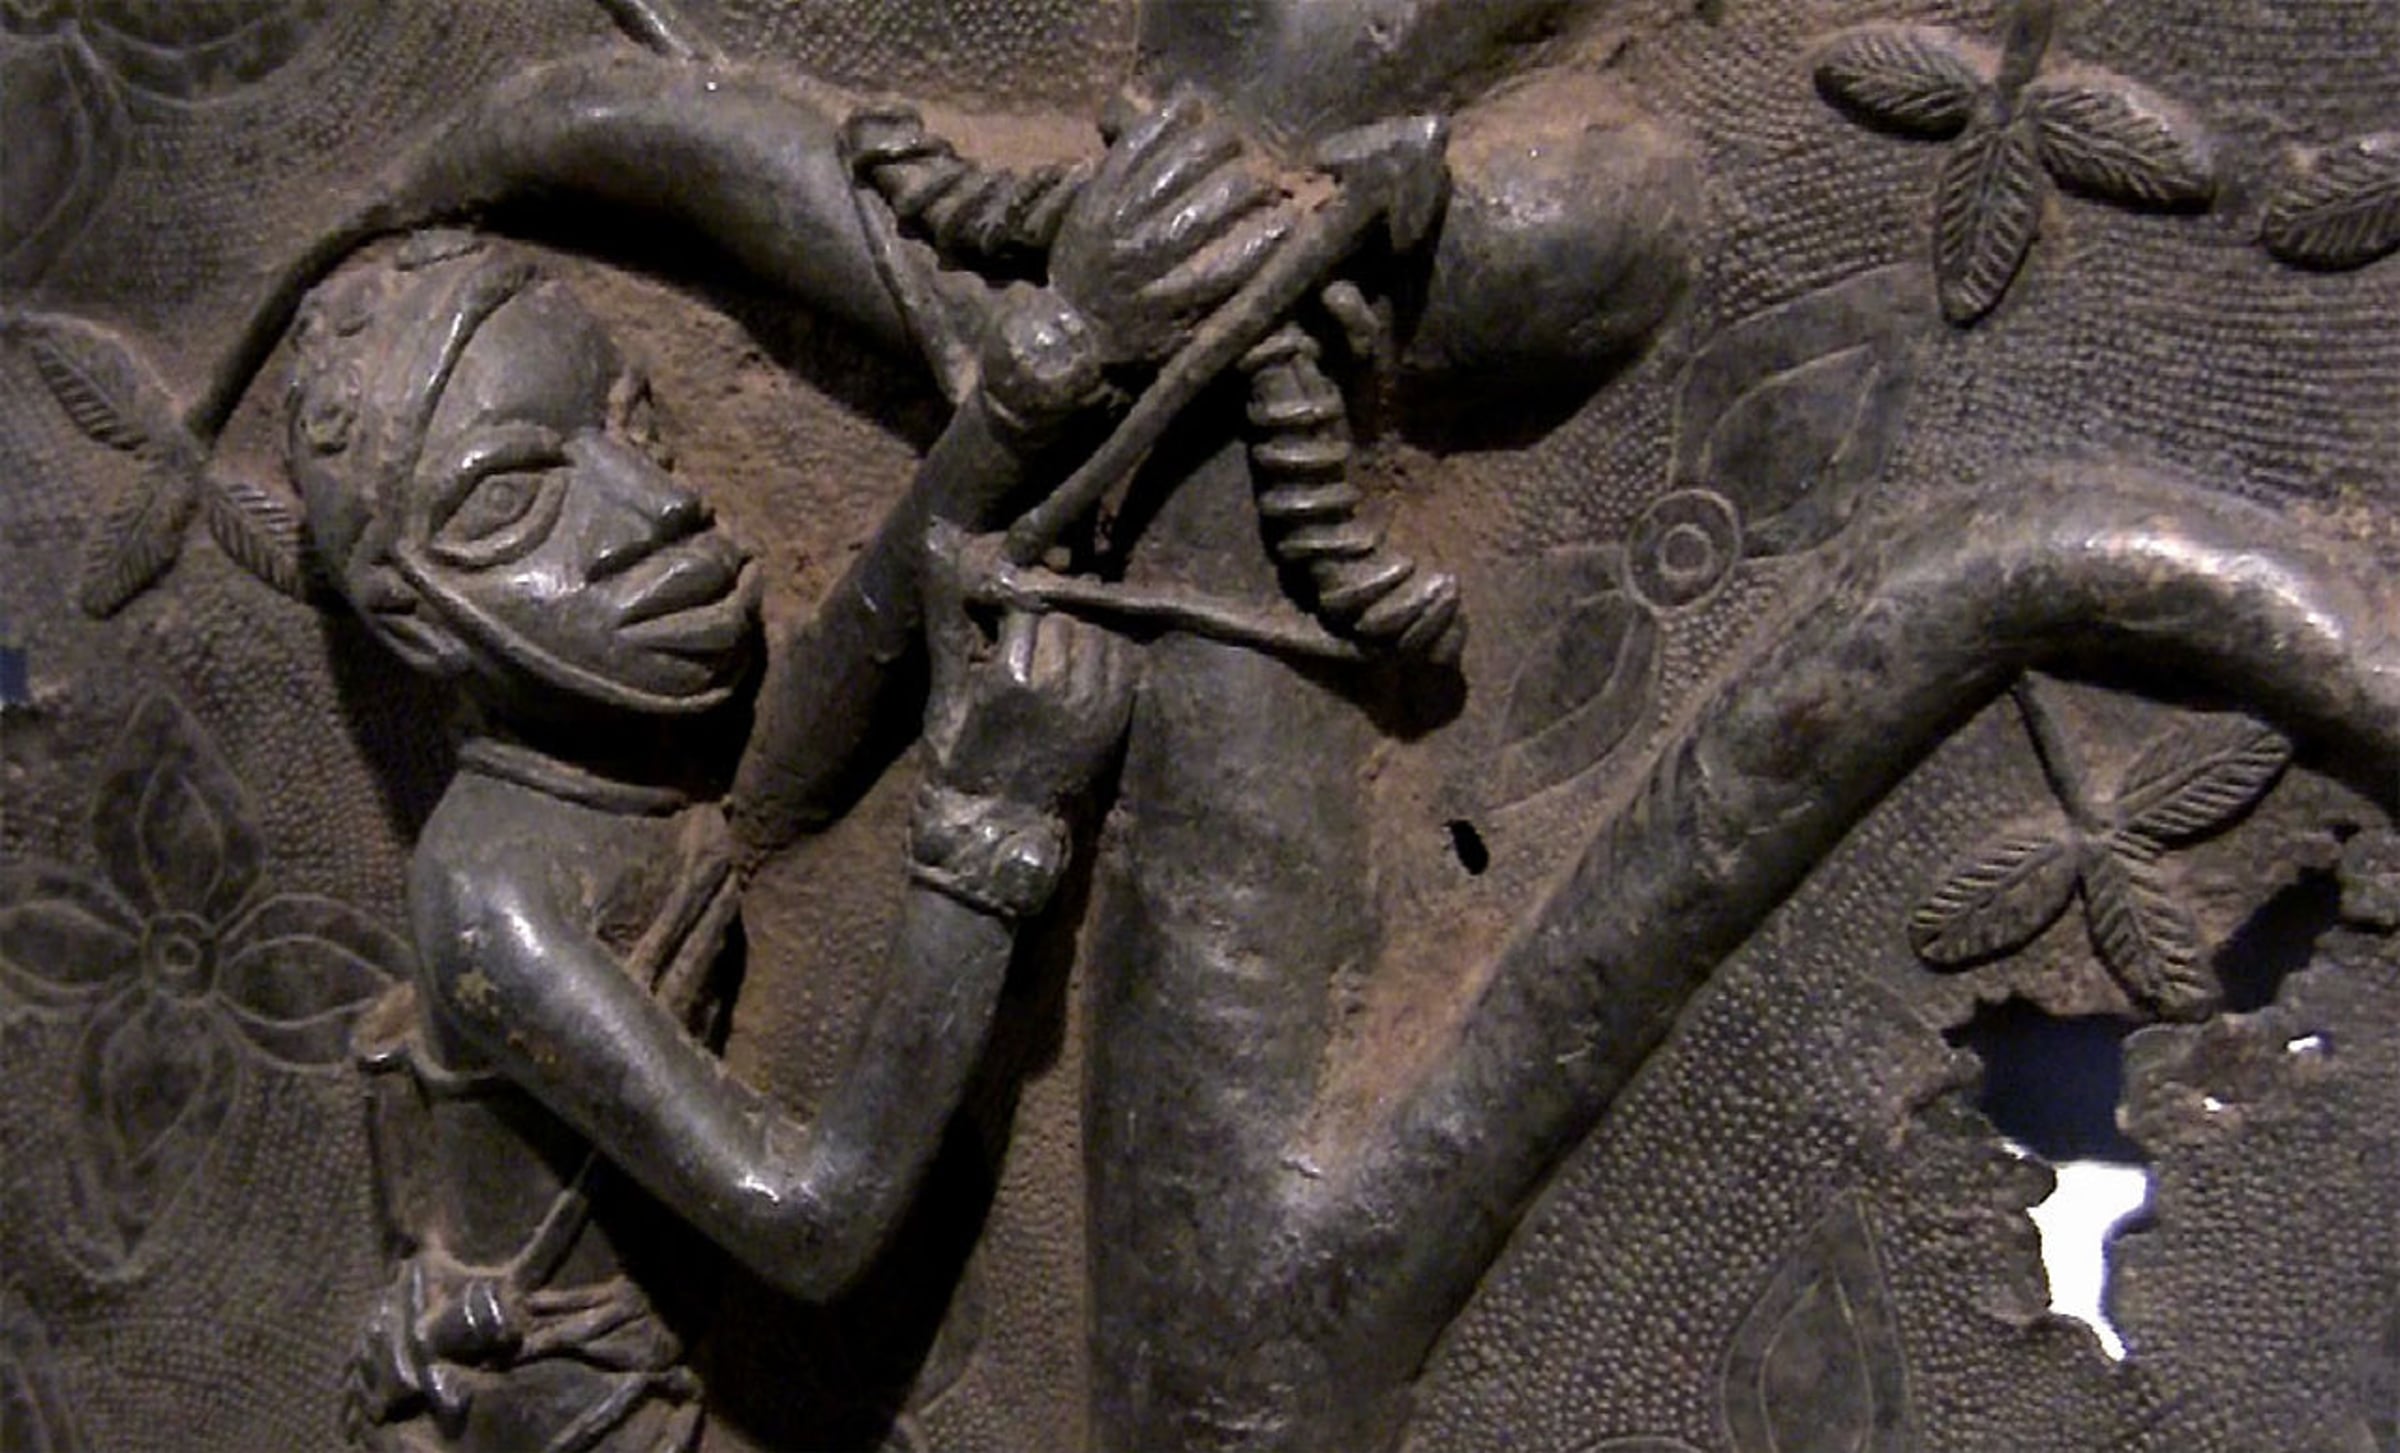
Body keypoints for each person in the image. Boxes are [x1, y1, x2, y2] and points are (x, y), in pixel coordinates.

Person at [288, 93, 1289, 1452]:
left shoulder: (598, 767)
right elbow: (810, 1218)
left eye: (634, 425)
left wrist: (1019, 406)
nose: (653, 507)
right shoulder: (492, 902)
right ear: (409, 616)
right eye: (518, 503)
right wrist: (986, 828)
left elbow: (802, 741)